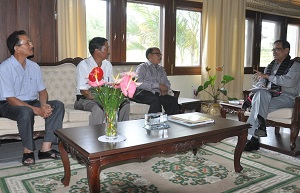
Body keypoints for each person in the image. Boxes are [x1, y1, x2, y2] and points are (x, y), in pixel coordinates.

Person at [0, 30, 65, 166]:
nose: (32, 45)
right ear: (17, 48)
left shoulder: (34, 66)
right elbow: (10, 98)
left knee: (58, 105)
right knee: (26, 111)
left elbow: (42, 91)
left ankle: (45, 149)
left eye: (30, 42)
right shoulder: (5, 68)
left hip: (31, 101)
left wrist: (43, 105)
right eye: (27, 42)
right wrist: (36, 110)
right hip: (8, 105)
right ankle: (27, 151)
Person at [244, 40, 300, 151]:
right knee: (261, 93)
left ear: (286, 50)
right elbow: (261, 81)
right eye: (273, 49)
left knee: (257, 105)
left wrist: (267, 77)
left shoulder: (295, 66)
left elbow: (288, 82)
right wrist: (259, 87)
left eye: (277, 49)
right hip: (269, 95)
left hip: (287, 97)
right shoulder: (271, 66)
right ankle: (259, 129)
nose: (274, 52)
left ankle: (252, 138)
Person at [74, 37, 130, 125]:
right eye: (106, 48)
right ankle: (95, 135)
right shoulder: (84, 65)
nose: (109, 51)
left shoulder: (107, 65)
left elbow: (111, 85)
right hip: (84, 99)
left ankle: (120, 129)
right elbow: (83, 90)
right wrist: (102, 99)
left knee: (124, 103)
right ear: (97, 51)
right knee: (98, 108)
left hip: (104, 97)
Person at [133, 47, 179, 115]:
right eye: (157, 54)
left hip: (157, 93)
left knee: (172, 100)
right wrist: (157, 85)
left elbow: (166, 82)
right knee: (155, 100)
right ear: (149, 56)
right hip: (142, 92)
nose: (160, 56)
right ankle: (153, 123)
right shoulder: (142, 67)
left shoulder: (161, 69)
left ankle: (170, 122)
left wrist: (166, 89)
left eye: (160, 54)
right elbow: (138, 82)